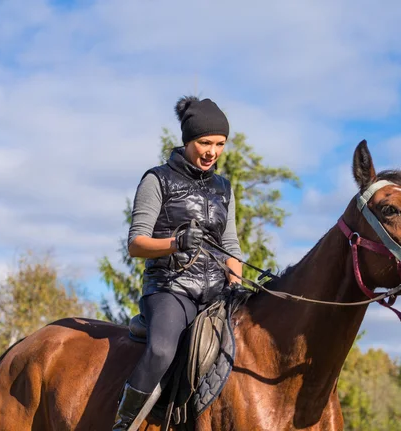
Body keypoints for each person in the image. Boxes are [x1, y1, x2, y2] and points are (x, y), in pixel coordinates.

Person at [113, 95, 244, 430]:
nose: (212, 151)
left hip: (215, 295)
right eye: (204, 142)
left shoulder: (223, 188)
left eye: (220, 144)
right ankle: (122, 425)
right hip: (170, 289)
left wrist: (236, 282)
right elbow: (136, 244)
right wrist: (175, 243)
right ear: (188, 141)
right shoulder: (157, 180)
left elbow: (230, 245)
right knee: (160, 351)